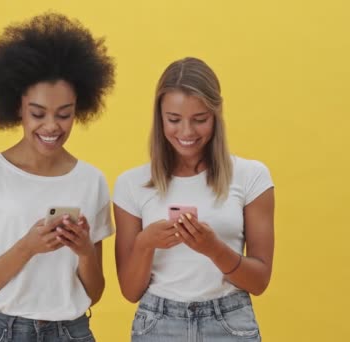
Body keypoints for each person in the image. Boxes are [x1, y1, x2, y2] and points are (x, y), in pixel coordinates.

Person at [0, 13, 115, 342]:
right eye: (38, 113)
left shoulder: (91, 181)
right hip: (3, 331)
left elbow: (94, 293)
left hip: (72, 332)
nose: (52, 126)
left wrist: (84, 252)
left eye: (64, 114)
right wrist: (27, 247)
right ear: (17, 108)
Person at [113, 57, 274, 341]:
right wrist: (146, 243)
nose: (186, 132)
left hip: (230, 323)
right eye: (174, 120)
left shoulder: (251, 177)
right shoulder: (131, 185)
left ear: (216, 115)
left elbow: (259, 281)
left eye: (199, 120)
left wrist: (213, 249)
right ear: (159, 116)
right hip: (158, 324)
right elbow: (130, 291)